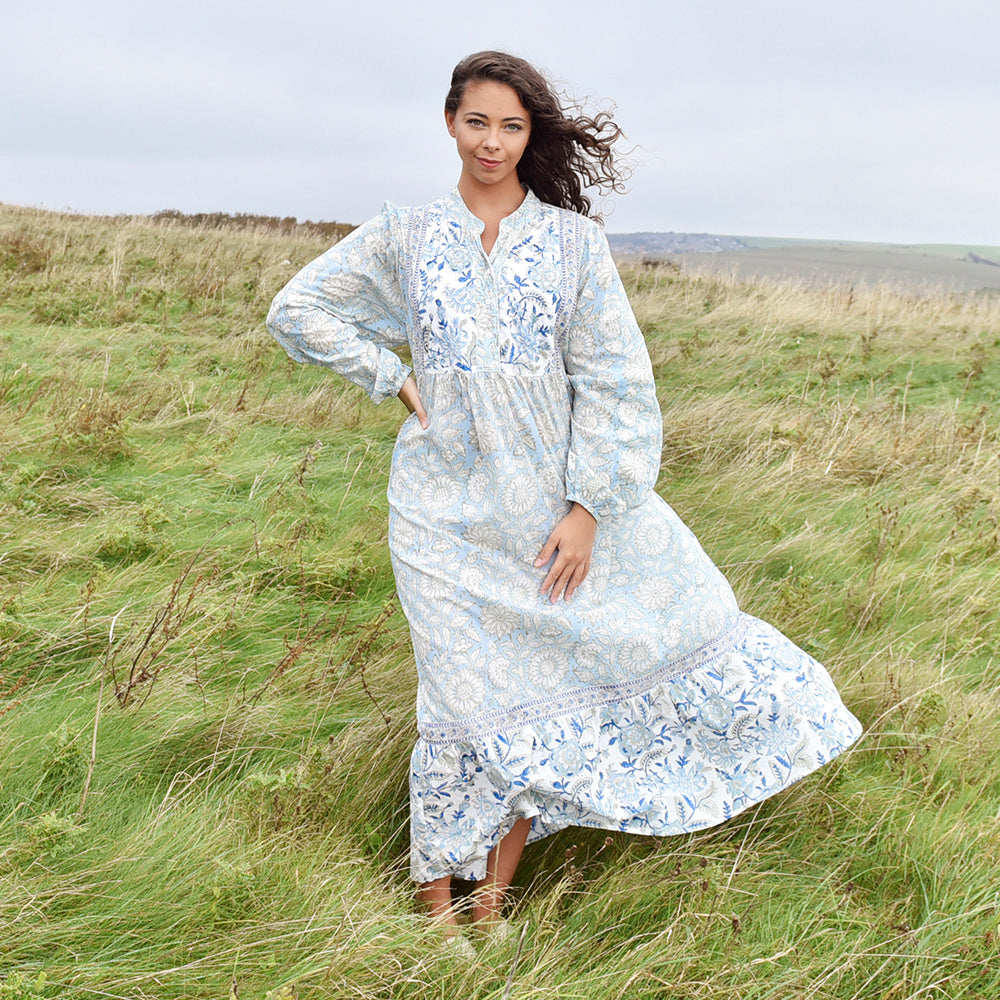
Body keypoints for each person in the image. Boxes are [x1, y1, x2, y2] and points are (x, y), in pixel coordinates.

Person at [267, 50, 862, 942]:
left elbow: (618, 385)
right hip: (441, 511)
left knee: (607, 664)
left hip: (549, 505)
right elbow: (297, 308)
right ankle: (439, 916)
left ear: (530, 134)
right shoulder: (405, 235)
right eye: (477, 122)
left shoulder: (575, 245)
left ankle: (493, 907)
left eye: (511, 126)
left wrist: (588, 509)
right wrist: (388, 375)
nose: (493, 143)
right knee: (462, 707)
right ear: (449, 123)